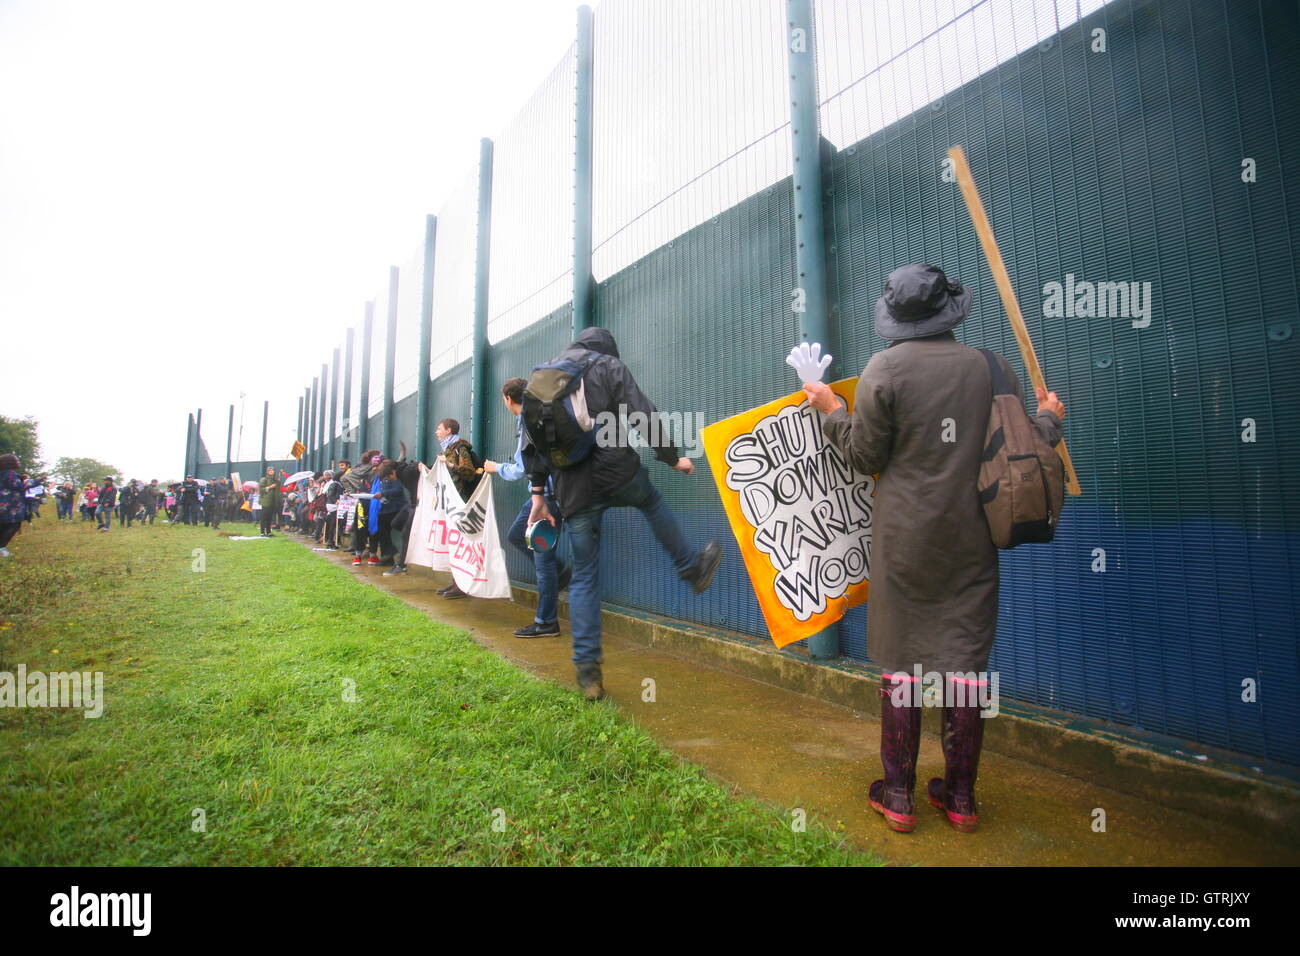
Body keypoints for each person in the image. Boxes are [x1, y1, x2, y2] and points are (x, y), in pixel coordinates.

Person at [802, 263, 1066, 834]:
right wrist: (1050, 419)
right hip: (972, 538)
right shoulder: (992, 368)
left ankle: (897, 795)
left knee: (903, 663)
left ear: (897, 318)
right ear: (951, 312)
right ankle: (962, 798)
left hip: (904, 539)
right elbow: (1022, 449)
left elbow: (866, 456)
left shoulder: (884, 369)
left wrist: (833, 412)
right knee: (964, 665)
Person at [525, 327, 721, 701]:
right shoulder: (607, 366)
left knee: (584, 577)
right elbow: (643, 414)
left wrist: (539, 494)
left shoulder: (545, 377)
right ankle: (691, 568)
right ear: (606, 349)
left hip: (572, 489)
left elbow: (533, 443)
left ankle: (588, 675)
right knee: (650, 502)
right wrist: (671, 457)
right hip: (618, 472)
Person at [484, 377, 571, 636]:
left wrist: (496, 467)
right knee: (516, 535)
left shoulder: (529, 421)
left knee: (543, 565)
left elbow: (523, 468)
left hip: (547, 498)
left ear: (508, 399)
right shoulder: (538, 417)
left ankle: (546, 623)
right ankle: (560, 572)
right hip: (542, 495)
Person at [434, 419, 480, 596]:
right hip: (452, 503)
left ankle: (462, 585)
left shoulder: (460, 449)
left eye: (439, 428)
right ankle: (456, 582)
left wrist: (450, 464)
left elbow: (468, 473)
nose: (436, 432)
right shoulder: (448, 449)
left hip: (461, 502)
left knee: (461, 542)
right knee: (454, 543)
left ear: (448, 430)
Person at [0, 454, 26, 557]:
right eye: (17, 460)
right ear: (10, 462)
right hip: (9, 505)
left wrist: (20, 477)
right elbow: (18, 486)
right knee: (14, 524)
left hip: (3, 504)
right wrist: (36, 481)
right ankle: (1, 548)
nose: (18, 462)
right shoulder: (10, 473)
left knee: (3, 525)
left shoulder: (3, 473)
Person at [258, 467, 282, 536]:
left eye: (273, 470)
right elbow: (261, 489)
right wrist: (270, 487)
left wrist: (278, 481)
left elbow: (278, 488)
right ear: (267, 472)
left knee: (269, 517)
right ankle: (262, 532)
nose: (271, 471)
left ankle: (268, 532)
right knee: (264, 517)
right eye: (270, 470)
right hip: (266, 501)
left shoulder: (275, 480)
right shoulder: (264, 479)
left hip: (273, 501)